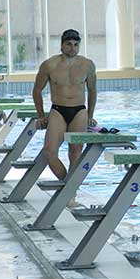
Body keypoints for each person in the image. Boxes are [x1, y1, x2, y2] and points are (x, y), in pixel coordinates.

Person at [33, 29, 97, 181]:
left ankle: (70, 193)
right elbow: (36, 91)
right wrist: (41, 115)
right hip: (58, 110)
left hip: (79, 111)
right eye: (68, 44)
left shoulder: (87, 65)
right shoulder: (49, 65)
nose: (72, 48)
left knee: (75, 152)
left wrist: (90, 116)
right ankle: (67, 185)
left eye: (76, 44)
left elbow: (92, 91)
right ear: (61, 45)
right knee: (49, 152)